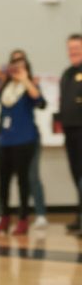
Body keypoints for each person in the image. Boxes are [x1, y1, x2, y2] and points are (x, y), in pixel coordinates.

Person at [0, 52, 46, 235]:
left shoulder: (30, 85)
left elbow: (38, 100)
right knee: (3, 181)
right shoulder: (5, 86)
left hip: (25, 139)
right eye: (14, 65)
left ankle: (23, 219)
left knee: (23, 181)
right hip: (5, 140)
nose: (17, 69)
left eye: (21, 65)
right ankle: (4, 218)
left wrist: (25, 79)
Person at [59, 34, 82, 235]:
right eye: (70, 48)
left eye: (77, 48)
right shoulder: (67, 73)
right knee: (76, 175)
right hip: (70, 130)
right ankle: (80, 216)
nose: (73, 52)